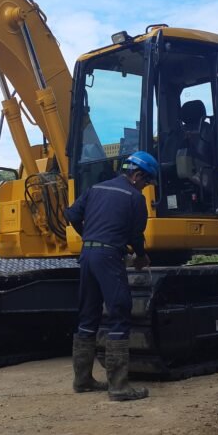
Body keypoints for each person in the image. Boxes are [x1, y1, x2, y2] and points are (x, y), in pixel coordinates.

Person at [64, 151, 158, 401]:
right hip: (108, 257)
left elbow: (71, 214)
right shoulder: (134, 198)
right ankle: (118, 386)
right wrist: (140, 256)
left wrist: (88, 235)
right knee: (120, 310)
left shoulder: (96, 188)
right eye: (146, 181)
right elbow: (136, 235)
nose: (146, 187)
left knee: (88, 314)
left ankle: (82, 380)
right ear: (137, 175)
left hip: (87, 255)